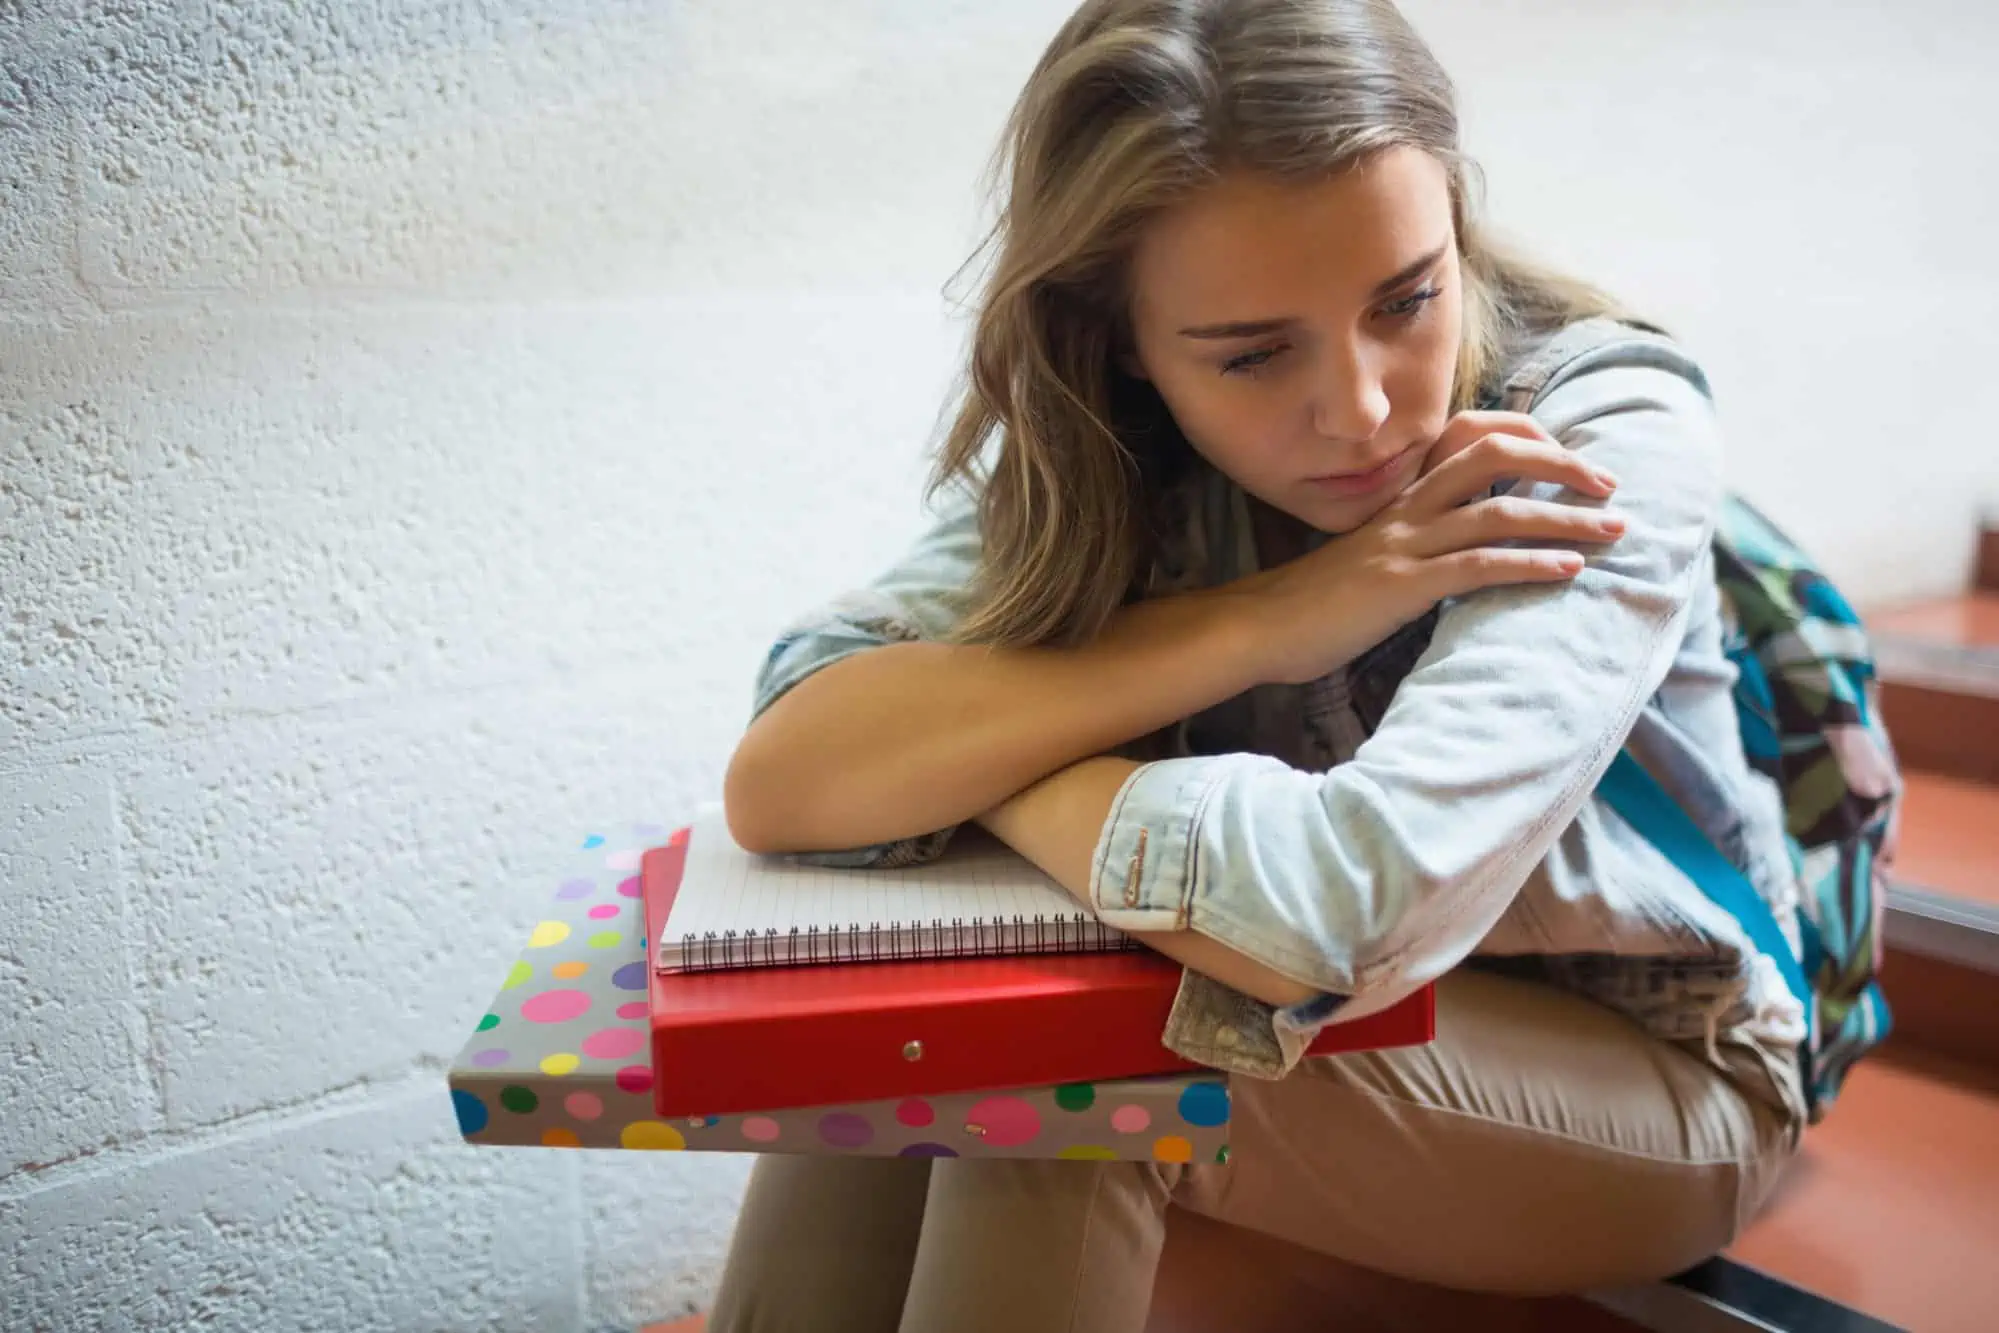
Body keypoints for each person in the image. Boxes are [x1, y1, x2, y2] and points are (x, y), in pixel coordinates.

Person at [708, 1, 1805, 1328]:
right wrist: (1276, 618)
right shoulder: (1108, 448)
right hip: (1323, 1037)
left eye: (1406, 300)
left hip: (1659, 1083)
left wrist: (984, 762)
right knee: (901, 1035)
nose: (1360, 408)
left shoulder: (1591, 430)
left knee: (1065, 1081)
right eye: (1251, 354)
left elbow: (1336, 910)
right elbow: (786, 774)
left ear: (1451, 219)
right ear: (1119, 341)